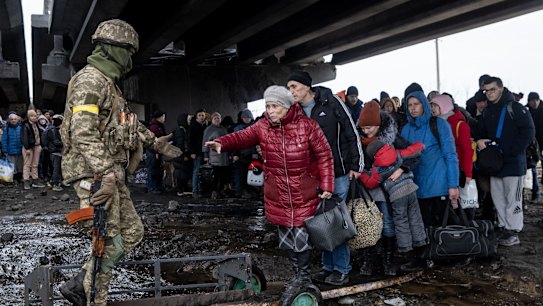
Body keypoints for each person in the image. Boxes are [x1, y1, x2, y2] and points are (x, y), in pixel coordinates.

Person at [58, 19, 181, 305]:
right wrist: (105, 172)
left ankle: (81, 284)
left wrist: (155, 143)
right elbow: (82, 131)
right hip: (95, 174)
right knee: (107, 241)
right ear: (113, 49)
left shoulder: (110, 86)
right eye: (128, 52)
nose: (129, 60)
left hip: (111, 173)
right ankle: (93, 299)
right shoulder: (90, 80)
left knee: (132, 232)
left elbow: (130, 125)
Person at [205, 85, 334, 295]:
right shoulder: (263, 126)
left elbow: (324, 156)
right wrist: (222, 143)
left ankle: (303, 276)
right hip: (278, 193)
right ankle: (297, 274)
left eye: (275, 106)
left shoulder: (308, 126)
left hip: (303, 191)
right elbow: (242, 136)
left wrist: (327, 184)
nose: (271, 110)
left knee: (301, 237)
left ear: (286, 106)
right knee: (287, 237)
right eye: (268, 106)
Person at [287, 70, 363, 286]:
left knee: (335, 221)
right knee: (319, 221)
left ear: (306, 86)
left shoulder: (331, 102)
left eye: (294, 86)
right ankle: (328, 266)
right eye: (289, 88)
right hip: (313, 177)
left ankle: (341, 268)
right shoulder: (295, 111)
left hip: (338, 172)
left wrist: (356, 165)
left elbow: (351, 132)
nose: (291, 91)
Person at [356, 101, 422, 276]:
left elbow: (414, 154)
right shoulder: (357, 141)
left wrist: (402, 167)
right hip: (364, 188)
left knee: (387, 224)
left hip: (387, 189)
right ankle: (369, 260)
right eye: (363, 127)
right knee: (365, 222)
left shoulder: (392, 137)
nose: (366, 131)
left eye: (370, 127)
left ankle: (388, 259)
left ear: (378, 124)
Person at [476, 76, 535, 246]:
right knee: (498, 197)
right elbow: (482, 131)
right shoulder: (488, 111)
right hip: (496, 164)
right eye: (486, 90)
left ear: (501, 88)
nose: (488, 93)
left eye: (492, 89)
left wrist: (512, 151)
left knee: (513, 198)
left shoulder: (514, 108)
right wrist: (480, 140)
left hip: (513, 163)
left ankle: (513, 230)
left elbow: (528, 131)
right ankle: (503, 227)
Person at [359, 139, 427, 271]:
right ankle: (422, 252)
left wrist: (361, 174)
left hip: (397, 195)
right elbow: (418, 149)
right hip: (411, 189)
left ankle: (407, 254)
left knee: (401, 223)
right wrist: (403, 167)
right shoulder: (398, 153)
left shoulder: (378, 168)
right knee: (415, 220)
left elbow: (370, 183)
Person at [401, 83, 460, 228]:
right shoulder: (406, 129)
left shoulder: (439, 124)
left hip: (438, 186)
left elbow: (451, 156)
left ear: (424, 105)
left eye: (417, 104)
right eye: (410, 105)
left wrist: (453, 185)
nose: (413, 108)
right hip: (416, 187)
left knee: (442, 229)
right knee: (423, 228)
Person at [430, 94, 476, 220]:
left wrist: (467, 174)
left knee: (461, 205)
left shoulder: (459, 125)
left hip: (460, 172)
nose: (432, 109)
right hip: (444, 172)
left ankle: (464, 231)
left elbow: (468, 151)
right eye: (431, 106)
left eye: (436, 106)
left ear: (444, 106)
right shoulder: (434, 125)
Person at [202, 112, 230, 199]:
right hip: (214, 156)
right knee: (215, 176)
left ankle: (220, 191)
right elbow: (205, 142)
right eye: (215, 118)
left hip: (224, 156)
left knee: (223, 176)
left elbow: (228, 141)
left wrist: (229, 153)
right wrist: (206, 155)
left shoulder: (224, 129)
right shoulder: (209, 130)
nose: (217, 120)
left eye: (218, 118)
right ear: (212, 119)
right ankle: (214, 192)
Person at [232, 109, 259, 198]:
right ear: (242, 118)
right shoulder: (237, 129)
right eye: (245, 117)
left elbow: (256, 141)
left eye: (248, 117)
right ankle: (240, 191)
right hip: (241, 155)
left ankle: (250, 191)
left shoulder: (255, 128)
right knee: (241, 174)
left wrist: (255, 153)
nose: (247, 119)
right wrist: (235, 154)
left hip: (252, 155)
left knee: (252, 174)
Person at [21, 109, 46, 190]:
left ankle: (35, 180)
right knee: (27, 165)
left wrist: (41, 145)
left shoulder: (36, 124)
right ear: (28, 117)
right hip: (29, 147)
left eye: (35, 116)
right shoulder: (25, 125)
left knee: (35, 164)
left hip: (37, 146)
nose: (34, 117)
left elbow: (39, 135)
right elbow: (24, 137)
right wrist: (27, 148)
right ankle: (26, 181)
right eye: (32, 116)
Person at [145, 110, 167, 194]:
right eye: (163, 116)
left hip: (157, 151)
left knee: (157, 170)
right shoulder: (155, 127)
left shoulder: (159, 126)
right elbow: (154, 141)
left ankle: (157, 187)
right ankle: (152, 188)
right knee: (152, 170)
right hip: (153, 151)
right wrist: (156, 152)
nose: (164, 118)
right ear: (160, 117)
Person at [527, 92, 543, 203]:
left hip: (541, 140)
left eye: (535, 101)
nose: (533, 103)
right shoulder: (527, 111)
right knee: (532, 167)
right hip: (533, 144)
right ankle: (535, 193)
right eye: (531, 101)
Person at [188, 109, 207, 198]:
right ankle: (195, 191)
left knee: (202, 172)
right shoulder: (193, 126)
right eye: (199, 115)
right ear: (196, 116)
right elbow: (190, 140)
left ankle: (201, 189)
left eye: (203, 115)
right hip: (196, 152)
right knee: (196, 171)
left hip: (204, 151)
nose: (201, 117)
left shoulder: (205, 125)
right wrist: (192, 152)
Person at [173, 113, 192, 196]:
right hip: (181, 155)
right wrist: (184, 154)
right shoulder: (181, 131)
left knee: (182, 171)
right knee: (181, 172)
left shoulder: (181, 130)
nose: (189, 121)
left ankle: (182, 189)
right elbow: (181, 144)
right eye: (188, 120)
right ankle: (181, 190)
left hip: (179, 155)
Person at [1, 113, 23, 183]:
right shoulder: (6, 129)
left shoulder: (20, 128)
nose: (13, 120)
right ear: (9, 120)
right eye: (12, 119)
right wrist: (5, 151)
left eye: (15, 119)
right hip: (11, 151)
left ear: (17, 120)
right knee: (12, 165)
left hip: (20, 150)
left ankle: (20, 178)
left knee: (20, 165)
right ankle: (14, 179)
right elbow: (4, 140)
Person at [46, 114, 64, 191]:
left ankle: (55, 182)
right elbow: (56, 142)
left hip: (55, 152)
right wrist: (64, 142)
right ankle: (55, 184)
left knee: (57, 168)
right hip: (55, 152)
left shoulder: (52, 129)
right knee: (56, 169)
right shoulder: (53, 130)